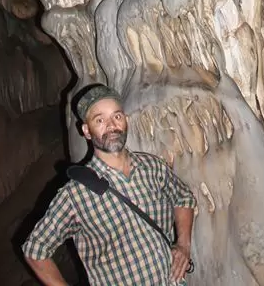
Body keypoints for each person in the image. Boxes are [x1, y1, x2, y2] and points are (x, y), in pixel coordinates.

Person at [23, 84, 196, 286]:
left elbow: (183, 197)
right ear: (86, 131)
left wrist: (183, 245)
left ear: (126, 121)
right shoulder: (76, 193)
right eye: (100, 120)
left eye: (117, 116)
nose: (111, 125)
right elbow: (35, 249)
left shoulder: (153, 167)